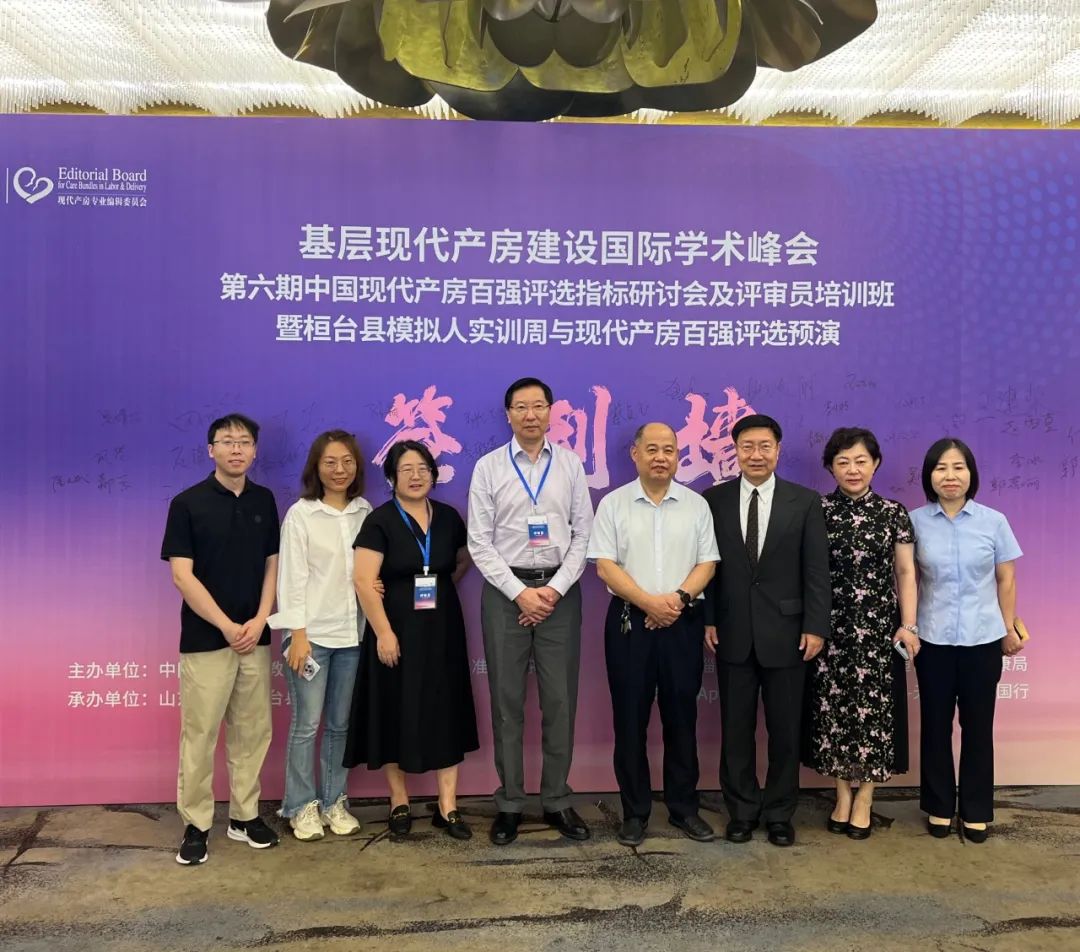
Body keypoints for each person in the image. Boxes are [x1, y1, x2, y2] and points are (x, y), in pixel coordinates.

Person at [468, 377, 595, 845]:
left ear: (550, 412)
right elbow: (479, 542)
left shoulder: (570, 464)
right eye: (520, 407)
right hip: (505, 594)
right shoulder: (488, 467)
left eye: (538, 406)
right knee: (507, 703)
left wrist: (554, 591)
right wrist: (520, 593)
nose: (530, 415)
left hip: (560, 592)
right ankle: (510, 804)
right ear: (508, 414)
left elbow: (583, 534)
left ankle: (557, 799)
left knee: (560, 701)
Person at [588, 423, 720, 847]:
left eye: (669, 450)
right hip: (630, 622)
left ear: (678, 455)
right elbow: (605, 565)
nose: (661, 457)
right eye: (652, 449)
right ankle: (635, 813)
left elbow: (707, 563)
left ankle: (684, 809)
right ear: (635, 454)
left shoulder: (696, 505)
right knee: (630, 720)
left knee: (682, 718)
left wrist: (676, 601)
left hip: (682, 620)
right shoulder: (613, 504)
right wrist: (649, 603)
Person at [703, 413, 831, 847]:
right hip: (732, 633)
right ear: (735, 451)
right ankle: (741, 811)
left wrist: (816, 626)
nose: (755, 454)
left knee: (785, 731)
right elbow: (707, 566)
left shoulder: (805, 501)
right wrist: (709, 617)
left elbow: (816, 571)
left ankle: (779, 813)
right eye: (747, 447)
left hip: (789, 634)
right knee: (735, 730)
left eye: (764, 446)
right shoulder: (713, 500)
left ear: (777, 450)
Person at [161, 413, 280, 865]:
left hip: (255, 635)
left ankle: (245, 816)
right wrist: (226, 626)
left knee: (253, 732)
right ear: (210, 449)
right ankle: (196, 823)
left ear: (255, 451)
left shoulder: (265, 500)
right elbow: (182, 575)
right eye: (227, 441)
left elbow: (272, 562)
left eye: (244, 441)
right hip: (207, 639)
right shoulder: (187, 503)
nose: (236, 449)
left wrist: (261, 617)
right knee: (200, 734)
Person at [345, 440, 479, 840]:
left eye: (423, 468)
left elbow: (462, 560)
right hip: (396, 629)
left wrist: (438, 585)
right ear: (391, 477)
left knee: (446, 708)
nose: (416, 476)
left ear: (433, 475)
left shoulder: (449, 517)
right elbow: (363, 580)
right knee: (394, 707)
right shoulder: (380, 521)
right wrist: (384, 632)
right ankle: (399, 800)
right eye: (406, 469)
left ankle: (447, 805)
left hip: (443, 630)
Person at [805, 427, 919, 840]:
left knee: (877, 715)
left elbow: (905, 572)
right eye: (843, 462)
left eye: (860, 461)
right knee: (833, 713)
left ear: (875, 464)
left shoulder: (893, 513)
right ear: (830, 468)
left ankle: (866, 796)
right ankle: (841, 794)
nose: (852, 469)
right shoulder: (816, 510)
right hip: (829, 629)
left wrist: (908, 625)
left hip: (878, 630)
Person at [910, 438, 1023, 843]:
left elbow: (1006, 578)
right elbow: (907, 579)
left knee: (978, 727)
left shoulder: (993, 521)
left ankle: (975, 810)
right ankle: (939, 806)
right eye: (941, 468)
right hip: (933, 640)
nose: (950, 476)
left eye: (958, 467)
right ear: (929, 476)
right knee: (935, 726)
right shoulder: (914, 522)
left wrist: (1008, 627)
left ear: (971, 474)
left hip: (983, 640)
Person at [268, 430, 371, 841]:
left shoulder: (365, 512)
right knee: (307, 725)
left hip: (353, 636)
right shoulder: (302, 514)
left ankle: (333, 802)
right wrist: (297, 633)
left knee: (340, 726)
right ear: (316, 467)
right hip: (311, 638)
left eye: (347, 461)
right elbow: (291, 578)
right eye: (330, 462)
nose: (339, 469)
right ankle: (300, 806)